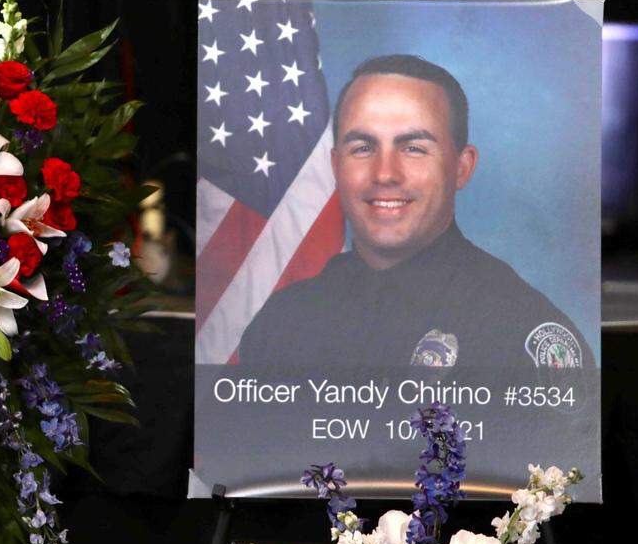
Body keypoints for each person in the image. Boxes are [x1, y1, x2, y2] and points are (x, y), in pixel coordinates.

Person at [238, 54, 592, 369]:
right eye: (363, 147)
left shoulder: (519, 330)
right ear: (336, 166)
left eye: (413, 148)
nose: (385, 174)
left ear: (461, 168)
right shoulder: (282, 324)